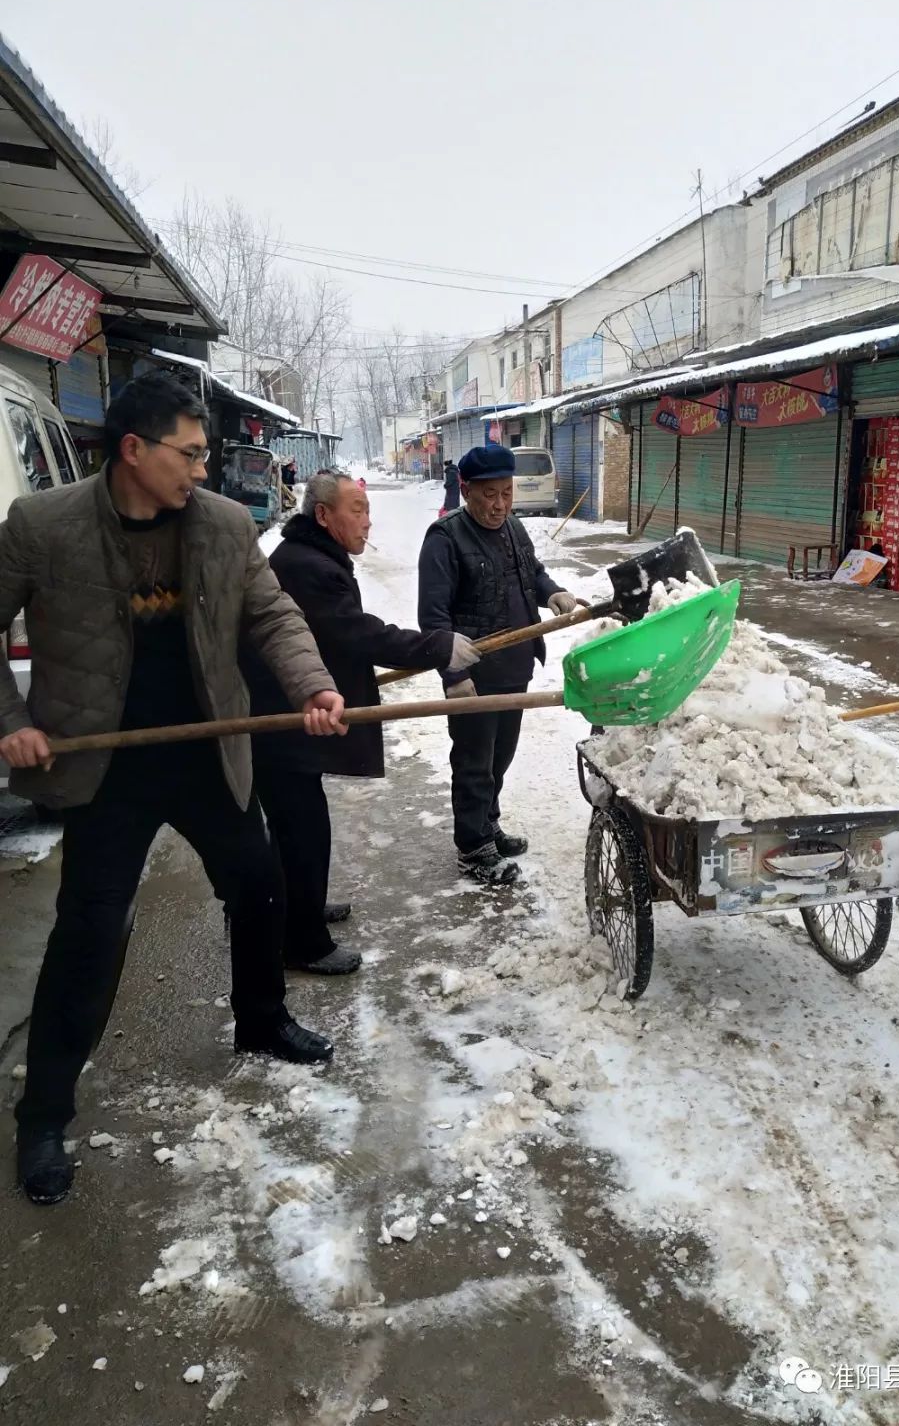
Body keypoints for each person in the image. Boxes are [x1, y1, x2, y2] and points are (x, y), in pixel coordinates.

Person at [0, 370, 348, 1206]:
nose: (200, 468)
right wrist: (10, 720)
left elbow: (270, 616)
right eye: (188, 453)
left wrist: (312, 687)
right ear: (134, 449)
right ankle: (43, 1115)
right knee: (88, 934)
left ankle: (262, 1021)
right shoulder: (43, 526)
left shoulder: (225, 526)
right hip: (103, 761)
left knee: (258, 885)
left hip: (206, 750)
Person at [246, 472, 479, 971]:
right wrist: (435, 646)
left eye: (369, 509)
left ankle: (300, 909)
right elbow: (353, 633)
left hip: (290, 713)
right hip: (280, 719)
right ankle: (300, 942)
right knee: (300, 830)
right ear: (324, 515)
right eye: (357, 509)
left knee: (299, 825)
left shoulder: (312, 557)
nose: (367, 521)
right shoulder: (305, 566)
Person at [417, 444, 579, 885]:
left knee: (499, 758)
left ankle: (488, 825)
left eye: (506, 493)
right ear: (466, 490)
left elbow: (533, 572)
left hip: (514, 668)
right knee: (473, 760)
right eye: (490, 495)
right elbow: (433, 619)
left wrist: (553, 592)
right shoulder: (445, 538)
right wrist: (454, 677)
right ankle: (473, 848)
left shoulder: (513, 529)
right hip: (475, 676)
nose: (500, 505)